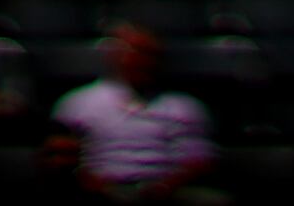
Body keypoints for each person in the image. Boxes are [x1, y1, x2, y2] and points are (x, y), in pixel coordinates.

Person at [47, 20, 221, 197]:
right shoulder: (77, 102)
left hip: (168, 192)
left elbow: (199, 160)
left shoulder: (185, 106)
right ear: (114, 56)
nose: (142, 61)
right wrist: (94, 186)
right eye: (134, 53)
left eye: (150, 55)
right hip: (98, 192)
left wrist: (164, 188)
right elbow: (61, 158)